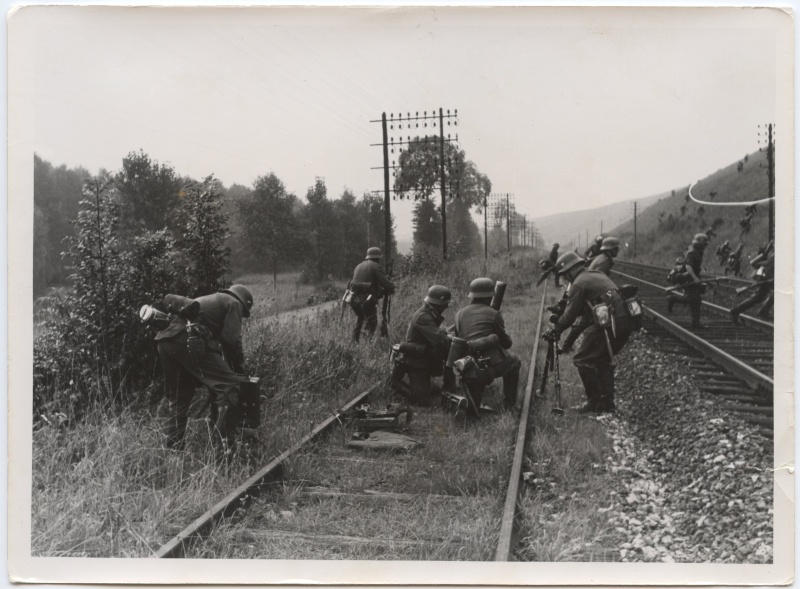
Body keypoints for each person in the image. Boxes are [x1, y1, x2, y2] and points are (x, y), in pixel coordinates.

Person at [155, 284, 254, 456]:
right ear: (243, 302)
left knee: (180, 399)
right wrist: (239, 371)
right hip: (188, 339)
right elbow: (231, 340)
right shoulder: (234, 303)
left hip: (166, 341)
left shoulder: (213, 300)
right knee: (229, 385)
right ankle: (225, 448)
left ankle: (173, 454)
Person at [542, 252, 634, 414]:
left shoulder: (579, 283)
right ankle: (607, 405)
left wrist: (555, 330)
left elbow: (570, 315)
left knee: (582, 359)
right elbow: (583, 315)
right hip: (623, 321)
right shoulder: (595, 274)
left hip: (610, 322)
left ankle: (595, 402)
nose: (566, 279)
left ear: (571, 270)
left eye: (565, 275)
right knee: (602, 359)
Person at [452, 277, 521, 415]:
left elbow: (459, 339)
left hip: (465, 364)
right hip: (487, 364)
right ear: (490, 296)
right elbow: (506, 344)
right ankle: (509, 404)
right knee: (515, 362)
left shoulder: (459, 314)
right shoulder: (494, 314)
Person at [390, 285, 453, 406]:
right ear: (438, 305)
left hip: (424, 358)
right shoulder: (423, 316)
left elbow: (438, 331)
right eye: (445, 304)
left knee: (426, 394)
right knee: (421, 401)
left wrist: (446, 334)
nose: (446, 307)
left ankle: (446, 388)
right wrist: (448, 337)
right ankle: (394, 382)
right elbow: (439, 340)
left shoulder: (429, 314)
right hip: (416, 361)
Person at [349, 247, 395, 342]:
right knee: (372, 321)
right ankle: (367, 344)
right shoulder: (376, 266)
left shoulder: (359, 266)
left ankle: (354, 341)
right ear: (377, 258)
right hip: (367, 299)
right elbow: (387, 285)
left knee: (359, 318)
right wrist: (391, 284)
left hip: (354, 299)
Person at [666, 233, 709, 329]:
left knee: (696, 300)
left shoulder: (697, 251)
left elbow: (694, 265)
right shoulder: (692, 252)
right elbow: (688, 266)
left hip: (691, 277)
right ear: (699, 243)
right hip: (688, 278)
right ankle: (673, 299)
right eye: (704, 244)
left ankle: (696, 323)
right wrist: (695, 278)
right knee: (693, 300)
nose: (705, 246)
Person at [730, 243, 774, 323]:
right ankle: (736, 310)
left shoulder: (775, 250)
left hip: (768, 276)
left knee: (760, 297)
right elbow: (769, 266)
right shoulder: (775, 254)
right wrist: (770, 279)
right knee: (758, 297)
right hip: (767, 276)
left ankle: (762, 311)